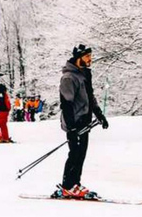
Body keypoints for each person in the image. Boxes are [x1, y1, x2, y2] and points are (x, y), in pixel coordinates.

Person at [53, 44, 109, 200]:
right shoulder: (69, 77)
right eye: (87, 56)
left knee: (80, 154)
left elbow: (90, 97)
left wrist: (99, 114)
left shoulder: (83, 75)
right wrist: (71, 128)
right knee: (75, 154)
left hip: (84, 121)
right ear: (79, 58)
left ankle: (74, 184)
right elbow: (66, 103)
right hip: (74, 123)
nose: (90, 59)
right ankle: (68, 186)